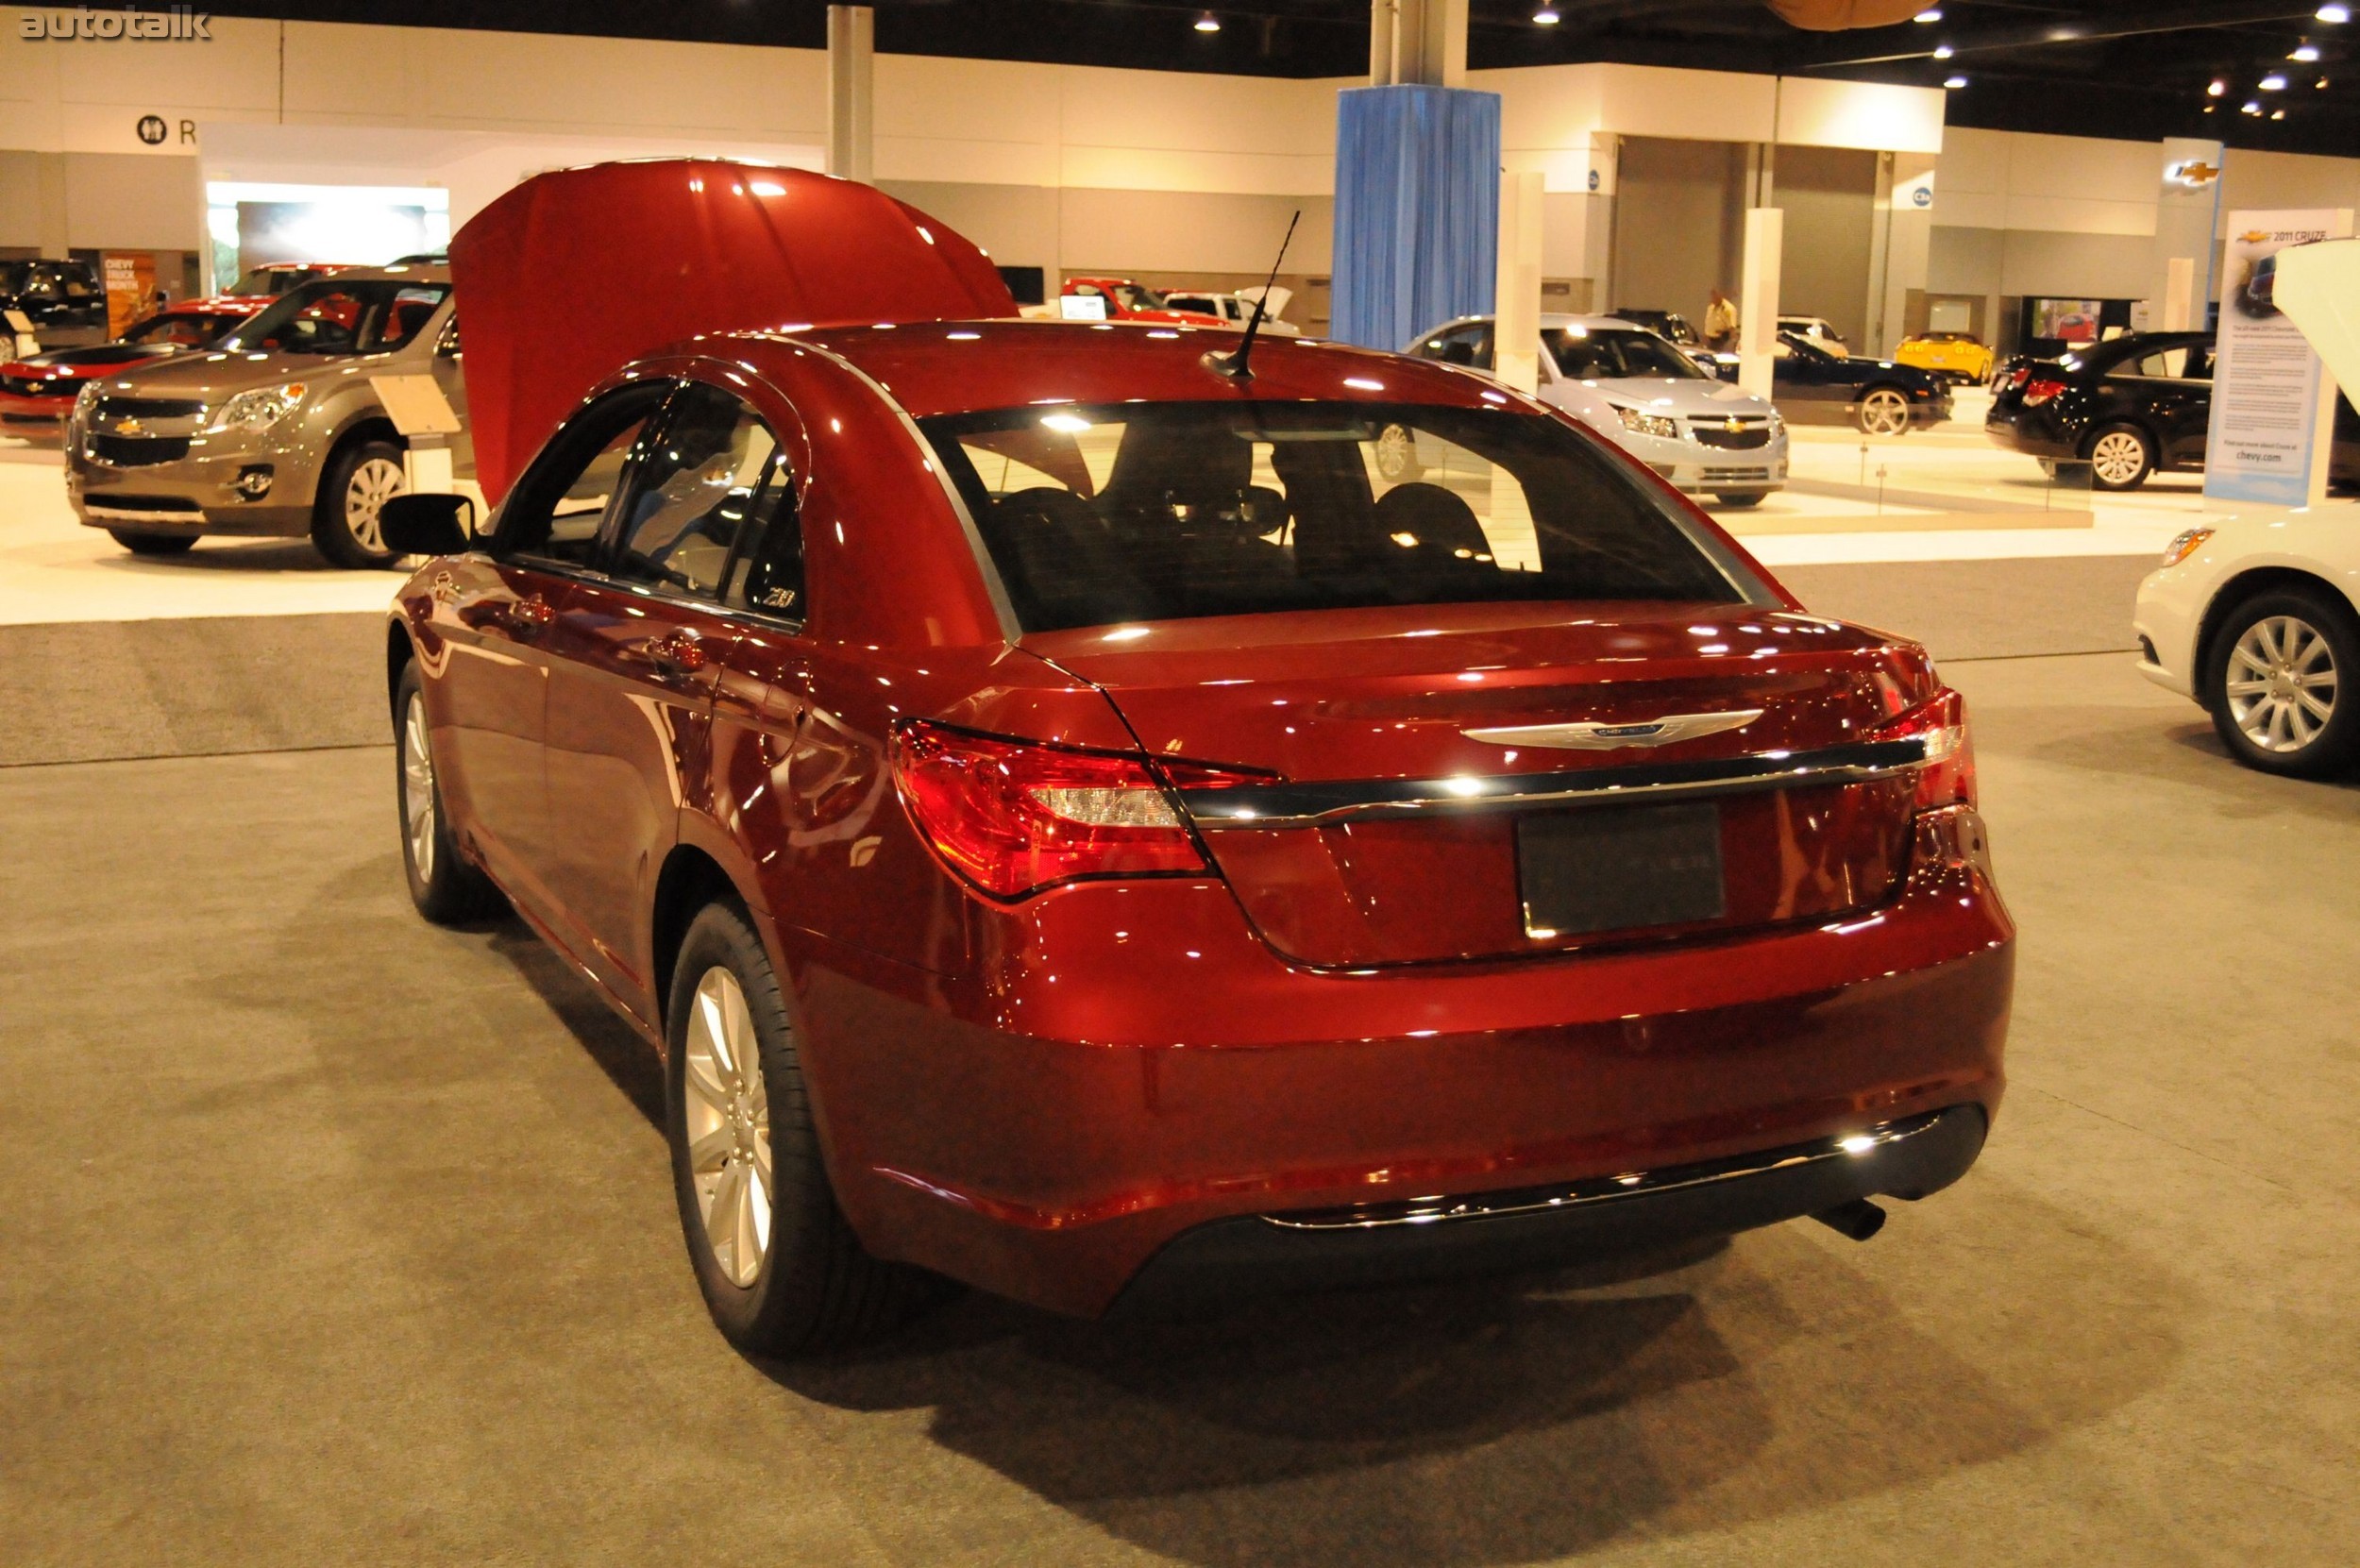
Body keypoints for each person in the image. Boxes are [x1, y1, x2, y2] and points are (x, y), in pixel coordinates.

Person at [1704, 287, 1739, 353]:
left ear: (1720, 295)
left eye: (1715, 295)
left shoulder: (1728, 309)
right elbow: (1708, 323)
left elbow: (1732, 328)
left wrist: (1722, 331)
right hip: (1709, 340)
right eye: (1712, 296)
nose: (1713, 298)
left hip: (1722, 341)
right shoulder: (1711, 307)